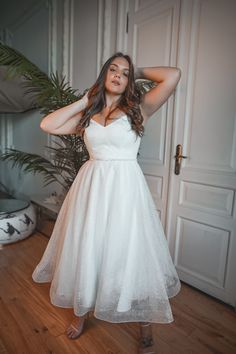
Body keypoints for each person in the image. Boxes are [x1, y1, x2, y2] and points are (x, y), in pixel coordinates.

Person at [32, 52, 181, 340]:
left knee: (129, 251)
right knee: (89, 246)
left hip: (126, 190)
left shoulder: (140, 108)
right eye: (113, 70)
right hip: (92, 188)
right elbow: (47, 125)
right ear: (103, 75)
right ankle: (81, 311)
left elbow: (173, 74)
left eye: (125, 73)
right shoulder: (88, 116)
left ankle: (144, 320)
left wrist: (136, 70)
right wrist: (85, 100)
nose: (119, 76)